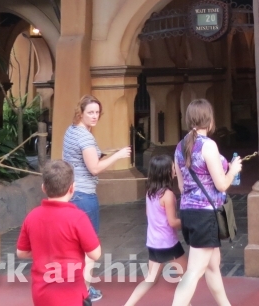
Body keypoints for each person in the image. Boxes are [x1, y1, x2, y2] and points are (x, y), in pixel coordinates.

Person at [170, 99, 241, 306]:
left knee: (212, 266)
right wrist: (233, 170)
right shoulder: (208, 146)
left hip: (188, 211)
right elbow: (221, 185)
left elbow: (182, 187)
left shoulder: (180, 146)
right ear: (209, 120)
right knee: (194, 271)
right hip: (205, 214)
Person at [63, 95, 131, 301]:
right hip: (84, 196)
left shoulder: (71, 131)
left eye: (97, 113)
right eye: (90, 112)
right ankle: (84, 291)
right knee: (89, 247)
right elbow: (94, 168)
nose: (94, 116)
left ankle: (74, 287)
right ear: (81, 112)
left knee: (74, 245)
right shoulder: (85, 137)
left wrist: (103, 153)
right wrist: (117, 156)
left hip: (71, 193)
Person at [17, 160, 102, 306]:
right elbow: (95, 254)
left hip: (41, 292)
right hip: (70, 292)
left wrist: (44, 251)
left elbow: (21, 252)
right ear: (72, 188)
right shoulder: (78, 218)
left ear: (43, 188)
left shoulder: (32, 216)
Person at [122, 154, 185, 306]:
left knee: (150, 279)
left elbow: (148, 214)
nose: (174, 170)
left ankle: (128, 304)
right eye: (172, 168)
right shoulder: (168, 195)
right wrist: (188, 221)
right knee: (186, 278)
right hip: (169, 243)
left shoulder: (150, 192)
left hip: (153, 242)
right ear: (166, 172)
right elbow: (172, 222)